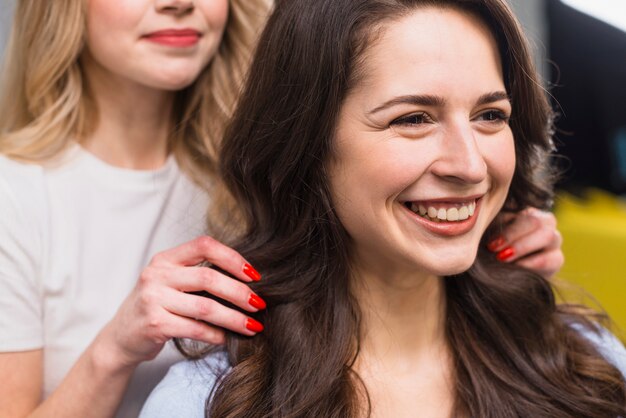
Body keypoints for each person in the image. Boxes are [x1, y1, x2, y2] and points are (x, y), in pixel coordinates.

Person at [0, 0, 563, 417]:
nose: (179, 3)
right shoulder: (18, 198)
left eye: (491, 116)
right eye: (412, 120)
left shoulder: (233, 175)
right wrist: (114, 351)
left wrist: (487, 233)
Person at [140, 0, 626, 417]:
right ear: (308, 144)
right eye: (413, 118)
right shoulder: (205, 402)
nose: (471, 165)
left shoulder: (589, 365)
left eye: (489, 116)